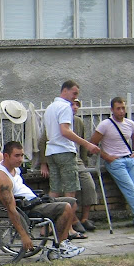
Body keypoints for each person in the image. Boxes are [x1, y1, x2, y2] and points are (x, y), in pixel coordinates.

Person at [0, 141, 84, 258]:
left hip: (34, 200)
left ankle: (63, 243)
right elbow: (11, 209)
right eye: (17, 156)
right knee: (65, 207)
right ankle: (58, 248)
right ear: (6, 156)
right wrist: (24, 235)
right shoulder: (2, 178)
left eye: (22, 155)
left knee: (72, 202)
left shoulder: (13, 168)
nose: (20, 159)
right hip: (27, 208)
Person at [90, 96, 134, 229]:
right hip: (115, 162)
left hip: (129, 159)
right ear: (112, 110)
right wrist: (107, 157)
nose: (121, 111)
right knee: (129, 188)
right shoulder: (105, 125)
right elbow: (92, 144)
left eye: (123, 108)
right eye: (118, 108)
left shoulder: (130, 123)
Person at [38, 98, 98, 237]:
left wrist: (84, 161)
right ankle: (69, 227)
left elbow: (81, 148)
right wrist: (43, 163)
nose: (74, 107)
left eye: (77, 105)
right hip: (64, 154)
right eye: (72, 103)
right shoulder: (60, 115)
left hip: (69, 157)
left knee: (82, 186)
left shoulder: (76, 121)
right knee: (69, 191)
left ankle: (80, 220)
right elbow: (48, 139)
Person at [43, 79, 100, 199]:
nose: (75, 97)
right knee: (70, 190)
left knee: (55, 189)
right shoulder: (65, 107)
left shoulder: (50, 108)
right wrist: (87, 144)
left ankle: (51, 211)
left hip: (51, 152)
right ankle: (69, 211)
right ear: (65, 90)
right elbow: (65, 131)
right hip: (65, 151)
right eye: (74, 93)